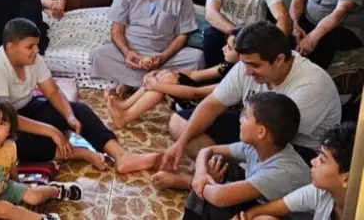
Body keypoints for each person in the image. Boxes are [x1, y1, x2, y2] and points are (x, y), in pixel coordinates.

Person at [0, 18, 163, 174]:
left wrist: (69, 116)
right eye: (30, 47)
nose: (35, 51)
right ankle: (81, 154)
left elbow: (52, 91)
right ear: (11, 47)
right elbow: (5, 118)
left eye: (36, 46)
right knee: (15, 145)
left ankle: (121, 156)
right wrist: (51, 130)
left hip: (23, 108)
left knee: (80, 111)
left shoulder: (33, 59)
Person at [159, 21, 341, 178]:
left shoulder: (311, 86)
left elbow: (270, 139)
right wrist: (181, 144)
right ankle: (231, 176)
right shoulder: (247, 65)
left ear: (279, 59)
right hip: (253, 129)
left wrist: (218, 150)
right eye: (244, 63)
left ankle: (229, 179)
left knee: (269, 171)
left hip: (294, 147)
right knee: (179, 122)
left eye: (254, 65)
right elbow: (213, 104)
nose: (246, 71)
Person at [91, 0, 205, 95]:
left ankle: (132, 83)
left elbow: (183, 35)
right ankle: (160, 83)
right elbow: (116, 30)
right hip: (132, 53)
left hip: (164, 55)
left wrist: (163, 57)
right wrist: (127, 53)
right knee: (98, 55)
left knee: (197, 58)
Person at [183, 92, 311, 220]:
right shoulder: (257, 146)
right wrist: (201, 174)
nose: (241, 119)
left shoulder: (281, 171)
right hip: (262, 202)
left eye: (247, 117)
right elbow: (208, 150)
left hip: (282, 216)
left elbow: (218, 197)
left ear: (261, 132)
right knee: (217, 162)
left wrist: (201, 183)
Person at [106, 26, 242, 129]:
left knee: (164, 82)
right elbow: (195, 75)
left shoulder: (240, 76)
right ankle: (125, 106)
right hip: (200, 97)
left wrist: (157, 85)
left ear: (241, 54)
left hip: (209, 108)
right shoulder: (228, 65)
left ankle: (125, 117)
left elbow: (197, 93)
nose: (223, 48)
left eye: (229, 47)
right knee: (166, 76)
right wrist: (162, 72)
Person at [235, 122, 356, 220]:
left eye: (322, 160)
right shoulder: (321, 192)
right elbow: (267, 209)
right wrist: (245, 217)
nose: (313, 161)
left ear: (346, 179)